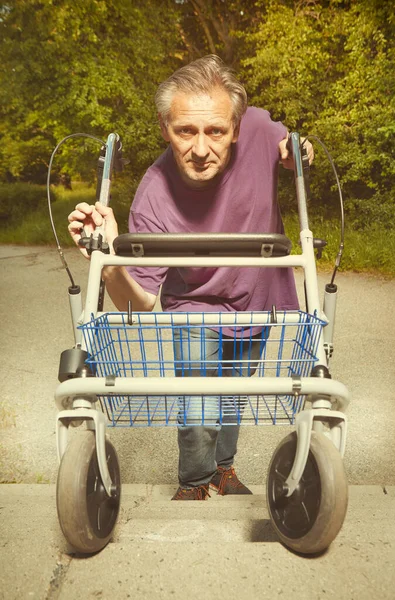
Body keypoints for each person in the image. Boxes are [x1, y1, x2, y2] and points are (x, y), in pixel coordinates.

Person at [68, 55, 313, 500]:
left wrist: (299, 152)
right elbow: (138, 301)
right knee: (200, 400)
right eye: (186, 131)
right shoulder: (154, 192)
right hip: (195, 305)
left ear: (236, 127)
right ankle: (196, 481)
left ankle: (224, 469)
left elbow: (291, 152)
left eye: (215, 131)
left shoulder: (259, 128)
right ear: (165, 127)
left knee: (234, 394)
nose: (201, 149)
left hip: (258, 297)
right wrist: (105, 259)